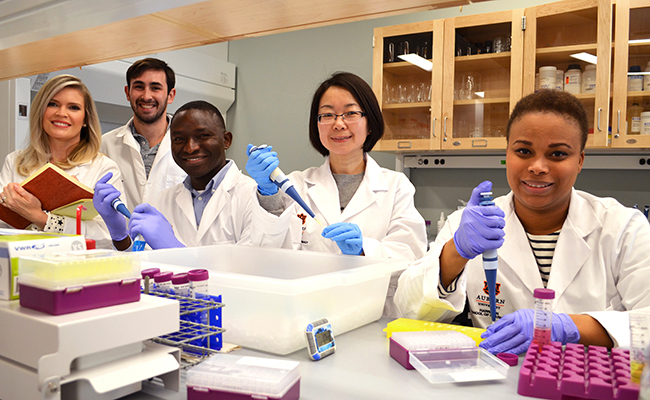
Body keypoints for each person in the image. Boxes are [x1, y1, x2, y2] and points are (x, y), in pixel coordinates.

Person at [394, 89, 650, 354]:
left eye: (558, 154)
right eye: (524, 151)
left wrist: (564, 327)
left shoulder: (623, 229)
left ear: (580, 161)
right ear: (508, 153)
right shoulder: (468, 224)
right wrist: (455, 251)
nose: (538, 166)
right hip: (496, 381)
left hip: (591, 384)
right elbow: (407, 309)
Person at [245, 72, 427, 316]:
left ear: (370, 121)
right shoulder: (296, 184)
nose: (338, 124)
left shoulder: (396, 186)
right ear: (317, 125)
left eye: (351, 113)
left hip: (372, 316)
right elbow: (268, 257)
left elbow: (412, 259)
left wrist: (364, 249)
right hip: (308, 315)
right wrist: (268, 196)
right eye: (327, 115)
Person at [94, 100, 257, 250]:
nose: (190, 148)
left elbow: (249, 270)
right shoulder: (166, 199)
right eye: (179, 139)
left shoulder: (252, 196)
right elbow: (144, 263)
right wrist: (119, 233)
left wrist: (175, 249)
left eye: (203, 136)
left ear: (226, 140)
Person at [0, 75, 124, 249]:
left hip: (76, 268)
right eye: (53, 104)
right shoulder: (15, 161)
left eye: (73, 107)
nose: (61, 113)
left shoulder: (103, 168)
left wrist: (41, 218)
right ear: (40, 111)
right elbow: (3, 229)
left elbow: (108, 237)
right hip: (21, 265)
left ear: (85, 120)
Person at [100, 57, 186, 210]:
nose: (146, 96)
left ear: (170, 95)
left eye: (155, 88)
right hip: (120, 234)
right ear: (128, 93)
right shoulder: (103, 146)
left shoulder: (189, 147)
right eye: (139, 87)